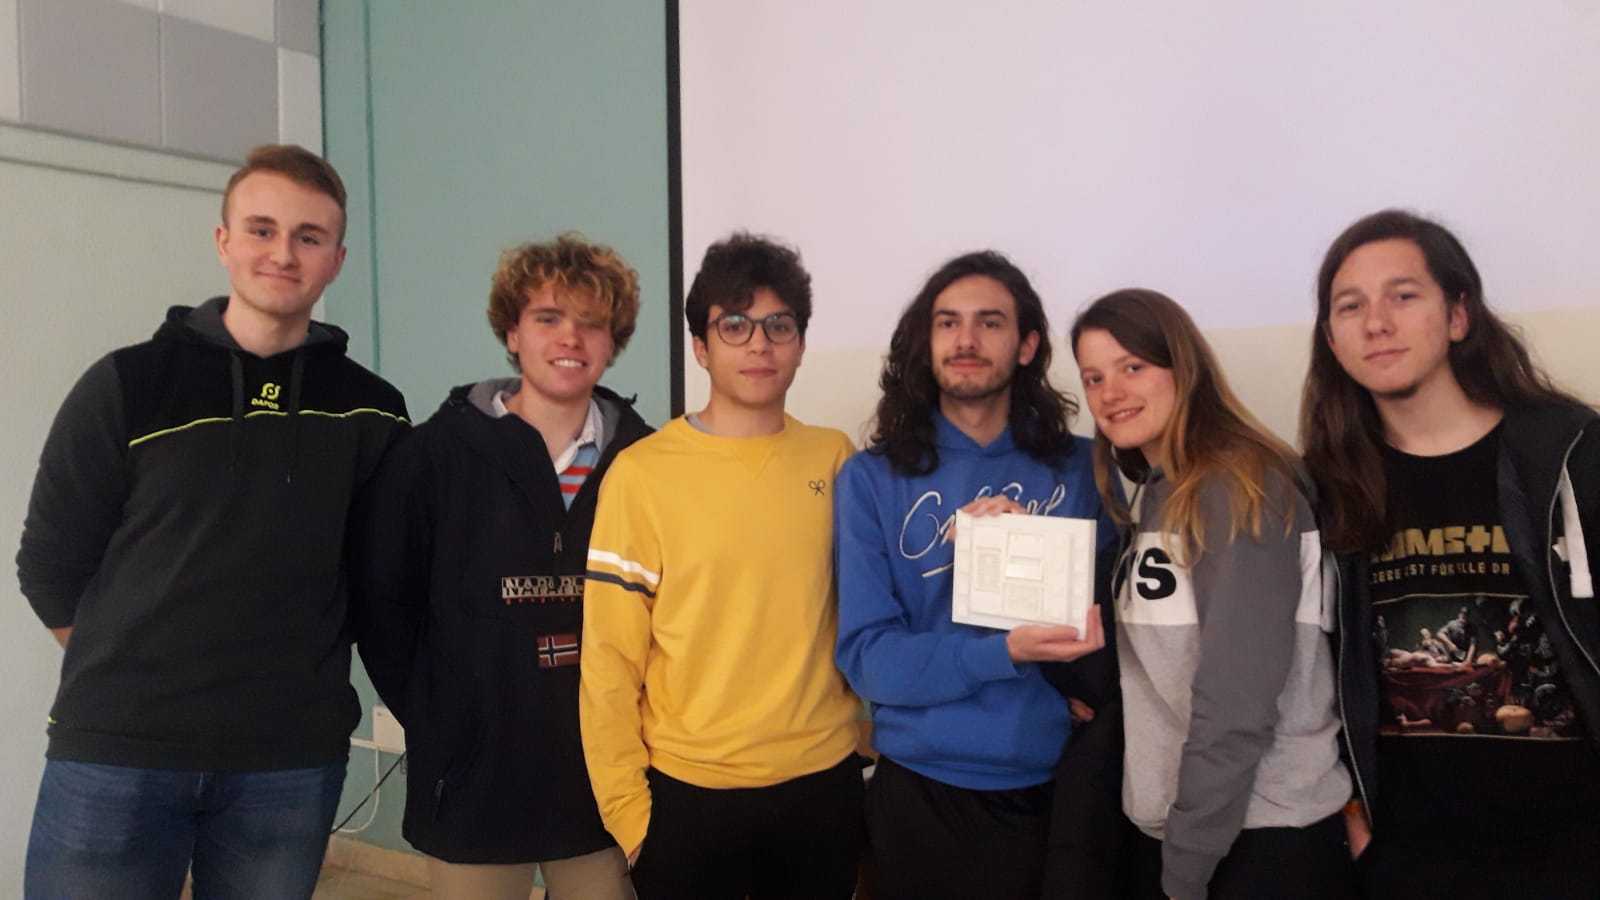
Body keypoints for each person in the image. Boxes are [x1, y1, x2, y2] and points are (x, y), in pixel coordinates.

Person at [16, 144, 409, 898]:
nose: (283, 253)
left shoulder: (373, 411)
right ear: (224, 241)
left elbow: (379, 583)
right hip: (118, 752)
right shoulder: (127, 384)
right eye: (262, 230)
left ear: (336, 260)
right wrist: (136, 670)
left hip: (287, 761)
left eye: (308, 237)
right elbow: (49, 564)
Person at [1301, 209, 1600, 897]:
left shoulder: (1569, 458)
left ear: (1458, 316)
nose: (1377, 323)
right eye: (1351, 306)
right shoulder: (1325, 489)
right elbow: (1309, 667)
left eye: (1403, 295)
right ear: (1333, 339)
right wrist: (1351, 813)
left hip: (1577, 850)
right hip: (1409, 858)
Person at [349, 235, 649, 899]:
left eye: (591, 322)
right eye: (548, 317)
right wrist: (440, 716)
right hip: (473, 780)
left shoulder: (649, 461)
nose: (570, 338)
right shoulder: (431, 456)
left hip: (606, 782)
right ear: (513, 333)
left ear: (613, 340)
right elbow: (383, 606)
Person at [579, 233, 864, 900]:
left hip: (822, 787)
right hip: (689, 796)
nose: (759, 344)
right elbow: (609, 662)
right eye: (735, 325)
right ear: (701, 347)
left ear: (800, 343)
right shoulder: (642, 474)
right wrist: (632, 820)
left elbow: (865, 612)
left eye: (778, 325)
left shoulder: (835, 458)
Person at [832, 250, 1115, 900]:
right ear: (924, 343)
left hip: (1060, 788)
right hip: (921, 793)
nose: (966, 340)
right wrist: (1003, 653)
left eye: (989, 322)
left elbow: (1119, 641)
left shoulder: (1088, 468)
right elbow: (871, 662)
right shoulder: (871, 479)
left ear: (1027, 345)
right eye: (947, 323)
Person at [1072, 288, 1354, 900]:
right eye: (1093, 377)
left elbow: (1236, 701)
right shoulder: (1157, 495)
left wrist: (1186, 864)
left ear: (1184, 367)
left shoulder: (1238, 488)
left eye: (1132, 367)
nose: (1110, 393)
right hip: (1195, 832)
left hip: (1259, 839)